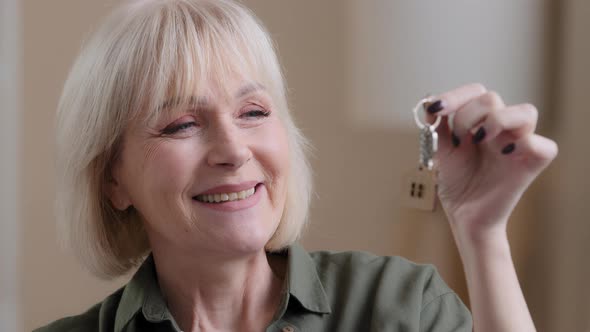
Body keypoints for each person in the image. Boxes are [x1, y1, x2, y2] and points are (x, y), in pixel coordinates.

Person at [36, 0, 558, 331]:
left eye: (254, 112)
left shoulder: (398, 307)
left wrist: (482, 231)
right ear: (113, 179)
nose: (234, 150)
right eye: (180, 125)